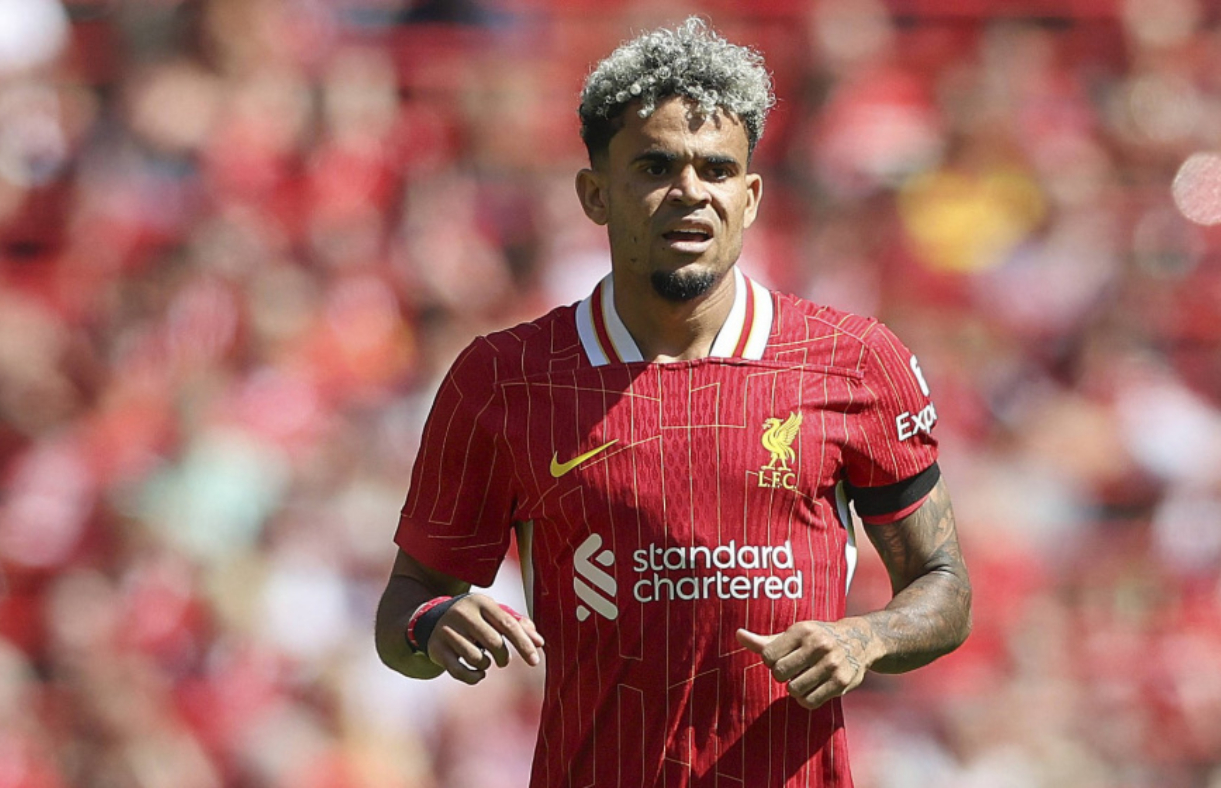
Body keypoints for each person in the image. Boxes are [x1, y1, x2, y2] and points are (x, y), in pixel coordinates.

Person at [374, 17, 971, 788]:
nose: (691, 192)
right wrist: (432, 624)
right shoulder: (504, 379)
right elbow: (404, 608)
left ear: (749, 197)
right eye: (656, 166)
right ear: (595, 194)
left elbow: (944, 585)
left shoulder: (855, 363)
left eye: (716, 169)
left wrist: (868, 639)